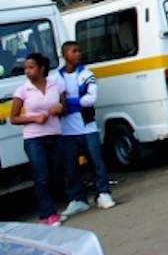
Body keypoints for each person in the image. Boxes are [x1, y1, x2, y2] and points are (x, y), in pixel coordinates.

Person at [57, 41, 115, 219]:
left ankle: (103, 194)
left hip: (88, 127)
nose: (78, 54)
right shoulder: (55, 78)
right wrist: (74, 103)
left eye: (79, 51)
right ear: (65, 55)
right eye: (74, 51)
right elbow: (54, 102)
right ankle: (77, 199)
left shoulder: (87, 75)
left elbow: (91, 99)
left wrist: (69, 103)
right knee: (70, 167)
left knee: (97, 162)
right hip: (67, 131)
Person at [10, 53, 66, 225]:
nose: (27, 71)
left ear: (42, 68)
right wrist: (34, 118)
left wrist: (59, 108)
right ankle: (47, 214)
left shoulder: (55, 85)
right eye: (26, 68)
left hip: (54, 134)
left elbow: (65, 107)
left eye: (31, 67)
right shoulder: (23, 90)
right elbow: (14, 118)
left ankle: (49, 212)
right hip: (34, 138)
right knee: (41, 175)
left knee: (54, 174)